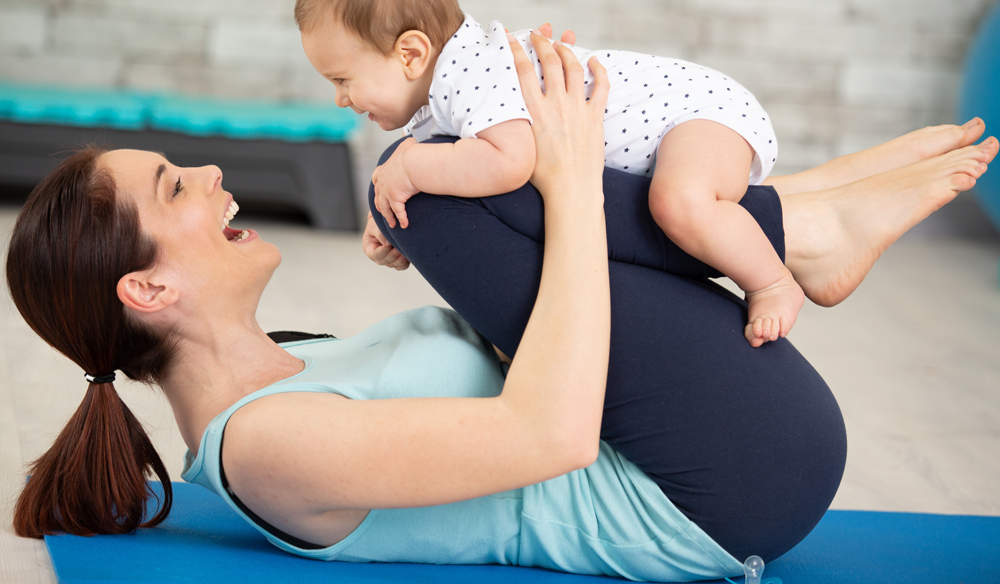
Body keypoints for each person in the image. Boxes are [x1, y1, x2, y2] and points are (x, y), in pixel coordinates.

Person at [7, 32, 996, 581]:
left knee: (424, 180)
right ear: (148, 290)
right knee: (423, 180)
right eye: (177, 187)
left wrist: (485, 250)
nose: (212, 170)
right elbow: (552, 433)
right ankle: (800, 224)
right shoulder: (260, 446)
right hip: (714, 491)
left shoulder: (290, 363)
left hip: (702, 451)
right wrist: (563, 180)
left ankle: (797, 218)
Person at [296, 0, 801, 345]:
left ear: (410, 54)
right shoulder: (441, 96)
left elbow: (509, 161)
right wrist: (390, 210)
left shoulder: (477, 71)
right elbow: (442, 161)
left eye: (342, 79)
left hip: (701, 110)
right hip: (684, 122)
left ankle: (774, 280)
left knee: (681, 203)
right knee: (668, 209)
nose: (341, 98)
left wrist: (407, 169)